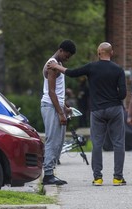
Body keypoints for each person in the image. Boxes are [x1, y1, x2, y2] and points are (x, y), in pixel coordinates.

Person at [48, 42, 127, 186]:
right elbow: (123, 94)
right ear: (112, 53)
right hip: (115, 109)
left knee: (97, 144)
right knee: (118, 143)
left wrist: (57, 66)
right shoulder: (118, 70)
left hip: (97, 111)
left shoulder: (91, 67)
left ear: (98, 53)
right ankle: (117, 178)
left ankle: (98, 178)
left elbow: (72, 73)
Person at [41, 39, 76, 185]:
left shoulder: (58, 64)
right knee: (52, 140)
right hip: (50, 106)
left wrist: (65, 107)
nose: (67, 58)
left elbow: (59, 92)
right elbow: (51, 91)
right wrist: (61, 113)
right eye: (67, 55)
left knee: (59, 142)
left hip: (57, 106)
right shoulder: (52, 65)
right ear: (61, 50)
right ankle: (48, 174)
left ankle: (51, 172)